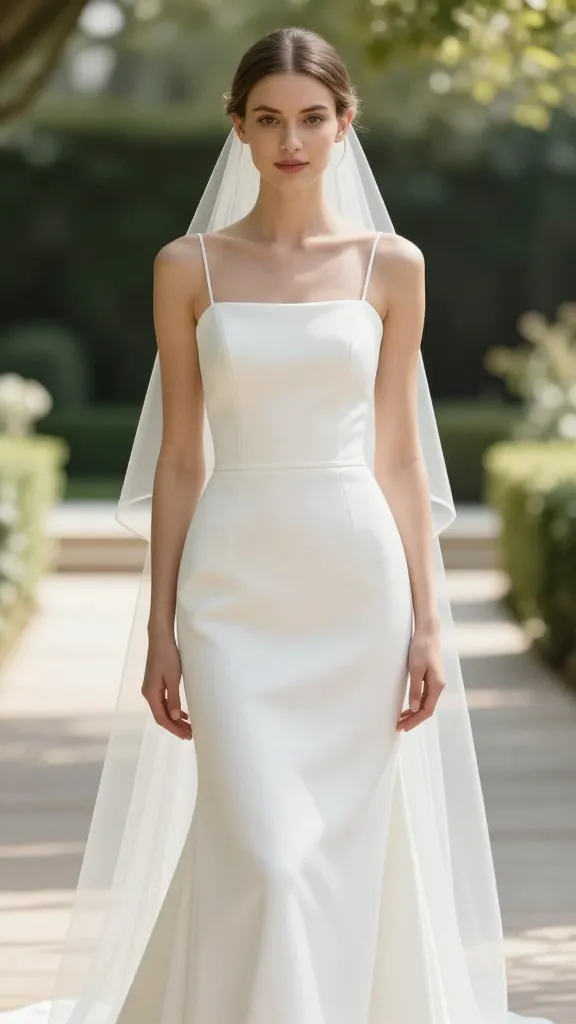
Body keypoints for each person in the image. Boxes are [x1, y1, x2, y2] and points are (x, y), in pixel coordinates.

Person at [4, 25, 553, 1024]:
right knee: (260, 849)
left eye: (311, 118)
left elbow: (398, 455)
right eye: (269, 120)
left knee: (334, 850)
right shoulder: (189, 267)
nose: (291, 140)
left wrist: (431, 624)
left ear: (345, 124)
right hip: (234, 585)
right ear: (239, 128)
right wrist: (158, 623)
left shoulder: (393, 267)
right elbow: (181, 456)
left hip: (355, 583)